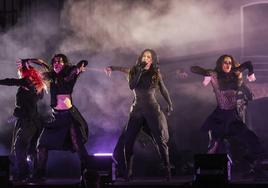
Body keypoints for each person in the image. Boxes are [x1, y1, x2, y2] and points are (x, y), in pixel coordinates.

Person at [191, 54, 265, 179]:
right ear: (220, 63)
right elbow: (193, 68)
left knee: (253, 140)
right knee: (215, 147)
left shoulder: (235, 73)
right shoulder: (215, 74)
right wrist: (206, 73)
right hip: (219, 118)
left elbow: (248, 63)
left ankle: (254, 167)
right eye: (225, 62)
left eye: (230, 62)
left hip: (233, 118)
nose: (228, 65)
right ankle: (204, 176)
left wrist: (250, 73)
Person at [34, 54, 89, 180]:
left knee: (77, 145)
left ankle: (87, 173)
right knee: (41, 145)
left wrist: (79, 67)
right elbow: (41, 63)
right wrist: (27, 61)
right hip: (55, 117)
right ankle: (39, 173)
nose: (56, 63)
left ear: (64, 64)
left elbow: (84, 61)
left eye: (59, 61)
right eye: (54, 62)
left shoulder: (70, 75)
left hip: (69, 116)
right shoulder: (52, 77)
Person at [120, 49, 173, 181]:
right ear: (141, 58)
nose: (146, 58)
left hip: (152, 108)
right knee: (128, 141)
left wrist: (170, 103)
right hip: (137, 109)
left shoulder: (155, 73)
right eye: (144, 56)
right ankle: (128, 172)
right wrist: (140, 71)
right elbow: (132, 86)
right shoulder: (134, 71)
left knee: (160, 140)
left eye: (149, 57)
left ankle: (167, 171)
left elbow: (163, 88)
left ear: (152, 60)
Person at [0, 59, 47, 181]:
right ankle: (36, 174)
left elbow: (11, 81)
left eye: (21, 71)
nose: (20, 73)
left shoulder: (27, 81)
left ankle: (24, 173)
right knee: (30, 149)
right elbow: (28, 104)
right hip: (32, 121)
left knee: (20, 146)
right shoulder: (38, 85)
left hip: (28, 121)